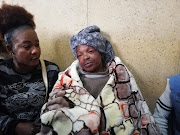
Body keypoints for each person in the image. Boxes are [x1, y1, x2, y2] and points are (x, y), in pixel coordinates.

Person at [39, 25, 161, 135]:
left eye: (90, 51)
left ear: (101, 52)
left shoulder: (120, 75)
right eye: (79, 54)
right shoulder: (68, 78)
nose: (85, 57)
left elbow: (137, 107)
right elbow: (54, 109)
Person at [0, 4, 60, 135]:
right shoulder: (1, 72)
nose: (35, 51)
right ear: (10, 49)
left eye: (37, 44)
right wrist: (15, 127)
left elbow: (58, 107)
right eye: (27, 47)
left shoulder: (50, 71)